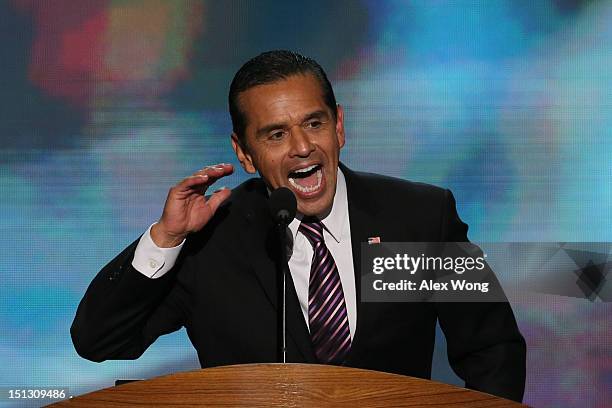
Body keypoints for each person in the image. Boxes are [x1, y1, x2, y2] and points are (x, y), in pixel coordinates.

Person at [71, 50, 526, 402]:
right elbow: (99, 341)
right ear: (244, 153)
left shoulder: (419, 217)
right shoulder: (209, 243)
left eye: (314, 123)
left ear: (339, 126)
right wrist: (166, 239)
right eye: (275, 134)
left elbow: (493, 347)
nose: (302, 147)